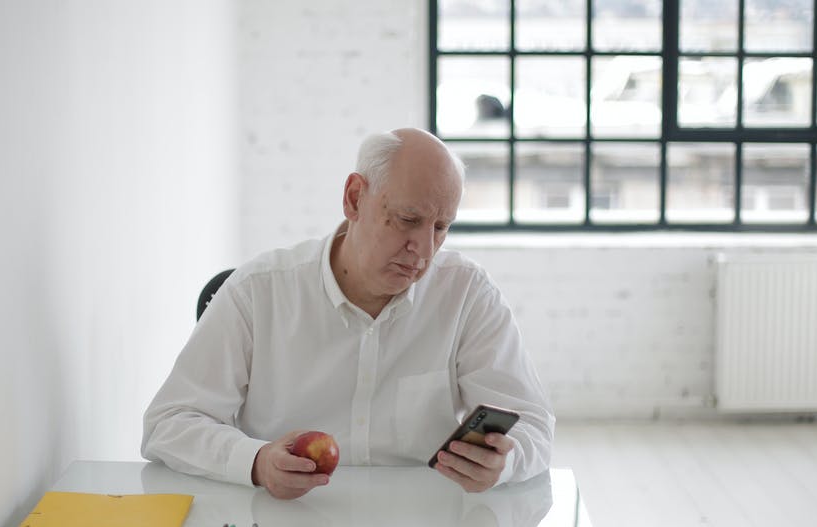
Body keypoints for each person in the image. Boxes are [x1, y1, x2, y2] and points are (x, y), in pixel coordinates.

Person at [142, 128, 554, 499]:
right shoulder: (259, 291)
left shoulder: (467, 293)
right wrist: (256, 461)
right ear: (355, 198)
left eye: (441, 227)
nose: (424, 250)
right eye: (408, 220)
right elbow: (168, 424)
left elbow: (534, 424)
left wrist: (506, 462)